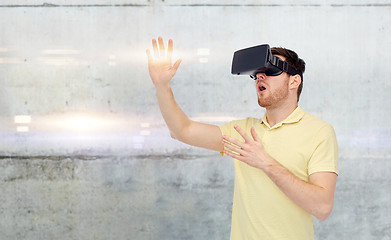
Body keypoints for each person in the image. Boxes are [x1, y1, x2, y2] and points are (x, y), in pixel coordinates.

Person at [146, 37, 338, 240]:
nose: (260, 77)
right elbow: (182, 131)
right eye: (256, 74)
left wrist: (266, 163)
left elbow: (322, 207)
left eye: (270, 71)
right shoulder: (243, 132)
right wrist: (161, 86)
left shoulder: (319, 132)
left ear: (294, 81)